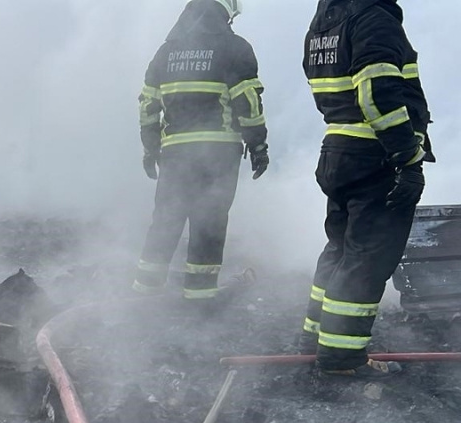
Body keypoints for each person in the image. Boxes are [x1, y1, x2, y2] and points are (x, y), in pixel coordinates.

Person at [300, 0, 433, 377]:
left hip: (339, 151)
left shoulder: (325, 23)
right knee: (366, 260)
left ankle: (314, 340)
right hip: (377, 156)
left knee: (341, 249)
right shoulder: (373, 18)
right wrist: (407, 158)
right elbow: (376, 94)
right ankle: (342, 362)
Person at [133, 0, 269, 303]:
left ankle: (144, 296)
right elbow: (248, 103)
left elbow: (147, 106)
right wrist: (259, 145)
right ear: (226, 11)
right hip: (217, 154)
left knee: (166, 220)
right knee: (209, 221)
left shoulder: (165, 52)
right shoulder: (235, 48)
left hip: (174, 153)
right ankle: (199, 298)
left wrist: (149, 148)